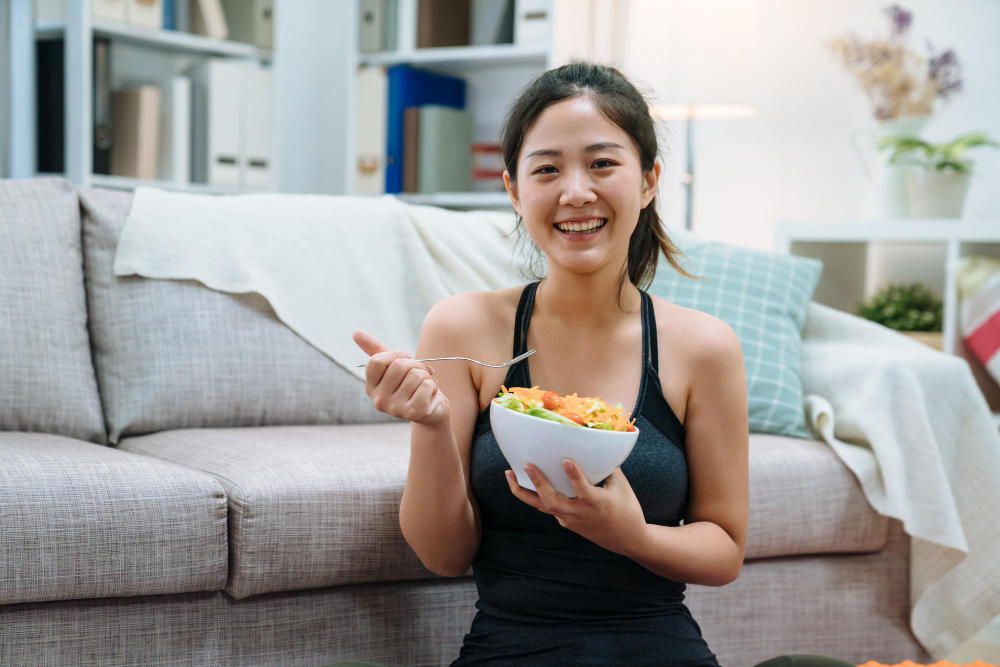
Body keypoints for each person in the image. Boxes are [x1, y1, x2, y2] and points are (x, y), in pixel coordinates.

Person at [351, 62, 839, 666]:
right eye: (547, 169)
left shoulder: (704, 347)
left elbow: (723, 550)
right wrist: (427, 426)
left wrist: (627, 535)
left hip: (657, 646)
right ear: (513, 189)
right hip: (508, 648)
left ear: (650, 180)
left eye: (603, 163)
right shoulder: (463, 327)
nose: (575, 191)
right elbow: (443, 555)